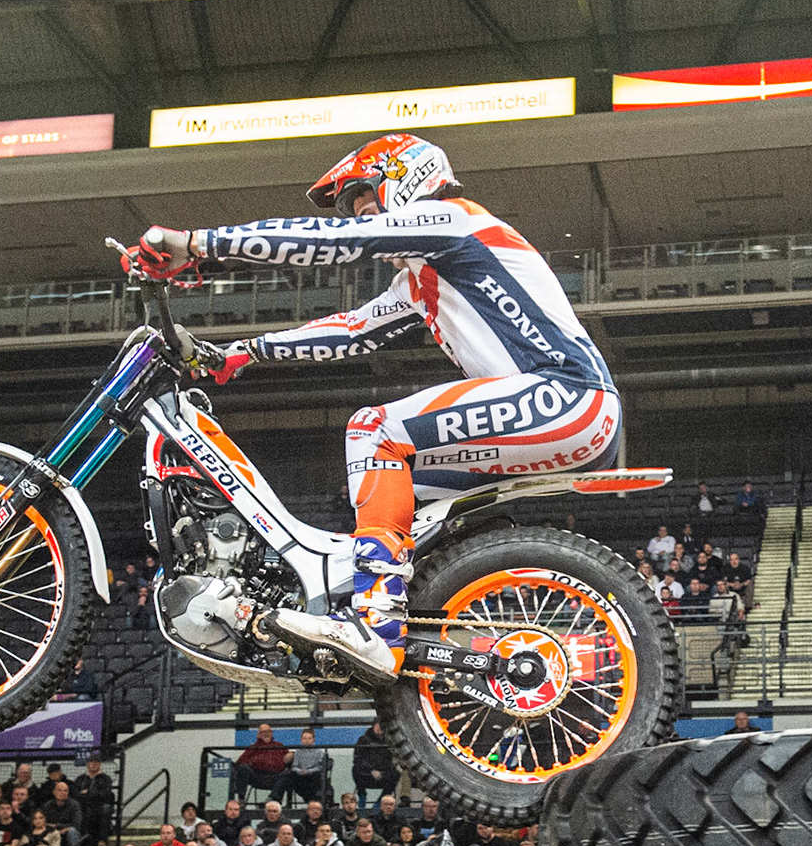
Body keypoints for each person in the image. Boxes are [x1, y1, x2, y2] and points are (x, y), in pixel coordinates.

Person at [138, 133, 617, 678]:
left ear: (408, 176)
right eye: (353, 204)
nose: (360, 209)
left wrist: (199, 244)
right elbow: (350, 331)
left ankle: (377, 622)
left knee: (374, 429)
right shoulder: (421, 279)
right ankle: (418, 627)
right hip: (554, 410)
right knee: (390, 500)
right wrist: (241, 353)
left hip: (565, 393)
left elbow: (341, 241)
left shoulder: (453, 220)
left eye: (366, 194)